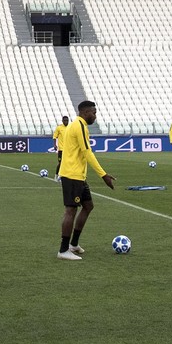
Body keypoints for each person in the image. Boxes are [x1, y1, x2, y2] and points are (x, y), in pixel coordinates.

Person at [56, 100, 116, 260]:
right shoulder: (80, 125)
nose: (95, 116)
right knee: (71, 210)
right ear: (84, 112)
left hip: (78, 175)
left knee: (88, 206)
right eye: (93, 112)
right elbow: (87, 152)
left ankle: (73, 244)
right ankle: (63, 250)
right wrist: (103, 175)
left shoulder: (77, 125)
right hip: (72, 175)